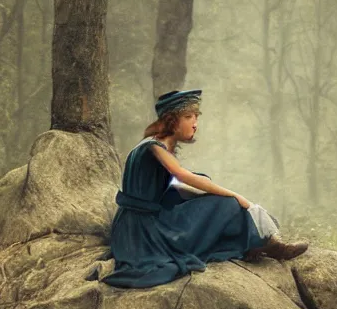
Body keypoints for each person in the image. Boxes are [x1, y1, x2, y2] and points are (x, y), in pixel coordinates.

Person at [102, 89, 308, 289]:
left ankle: (264, 242)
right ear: (173, 121)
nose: (195, 124)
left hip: (141, 223)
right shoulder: (153, 147)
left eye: (196, 117)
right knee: (225, 203)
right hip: (141, 230)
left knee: (214, 201)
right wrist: (235, 196)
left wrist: (209, 193)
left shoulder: (154, 147)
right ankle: (264, 243)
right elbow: (182, 176)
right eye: (189, 116)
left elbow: (174, 186)